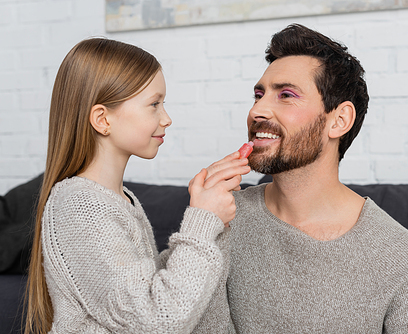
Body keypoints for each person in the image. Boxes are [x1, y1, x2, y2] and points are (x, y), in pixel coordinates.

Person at [196, 24, 408, 333]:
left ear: (339, 120)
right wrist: (200, 222)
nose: (257, 110)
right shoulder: (218, 217)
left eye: (286, 95)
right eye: (258, 95)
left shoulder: (401, 256)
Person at [24, 38, 250, 334]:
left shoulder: (120, 198)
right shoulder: (80, 205)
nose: (166, 119)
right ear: (102, 119)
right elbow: (159, 318)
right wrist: (202, 222)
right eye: (154, 104)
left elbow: (149, 287)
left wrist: (213, 219)